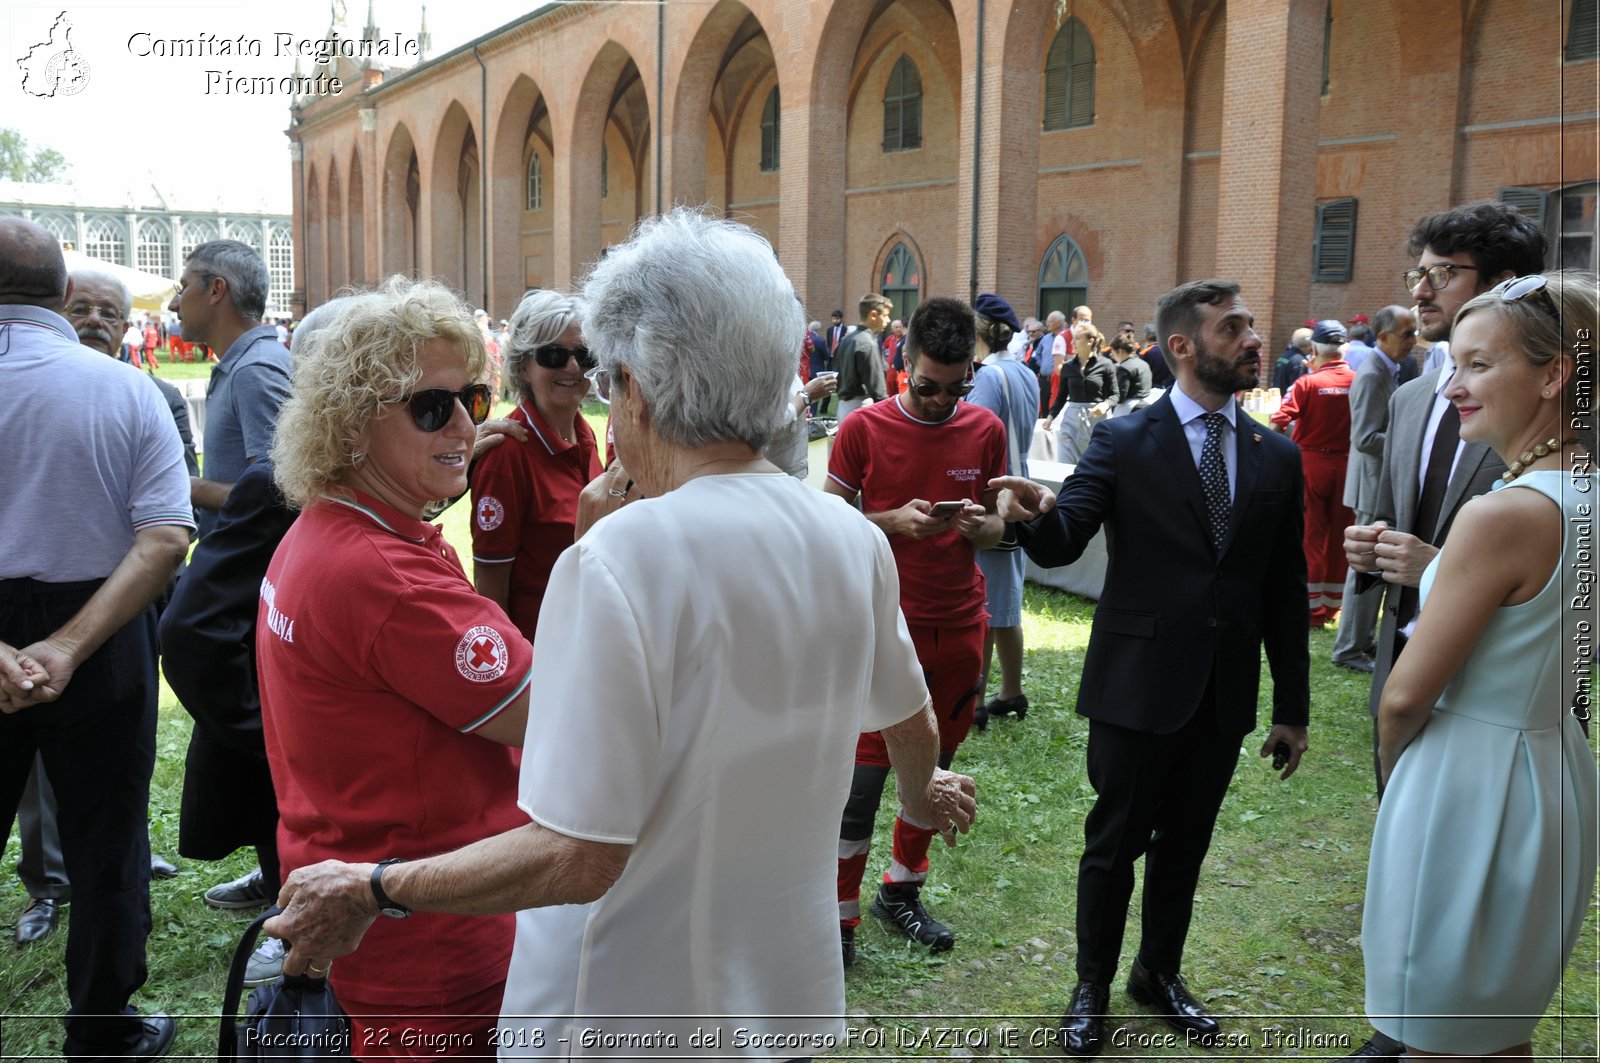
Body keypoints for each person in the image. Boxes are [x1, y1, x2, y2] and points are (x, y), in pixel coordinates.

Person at [260, 209, 976, 1059]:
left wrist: (377, 888)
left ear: (637, 388)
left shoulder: (615, 557)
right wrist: (924, 789)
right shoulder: (852, 537)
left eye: (606, 378)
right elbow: (910, 715)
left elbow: (580, 855)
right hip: (782, 992)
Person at [992, 278, 1309, 1058]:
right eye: (1231, 327)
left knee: (1186, 845)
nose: (1251, 338)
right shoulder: (1126, 439)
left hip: (1222, 692)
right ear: (1181, 346)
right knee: (1115, 842)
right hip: (1136, 686)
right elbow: (1066, 537)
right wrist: (1032, 515)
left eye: (1249, 325)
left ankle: (1157, 973)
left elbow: (1284, 586)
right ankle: (1091, 984)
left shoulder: (1277, 454)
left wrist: (1292, 707)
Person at [256, 280, 532, 1056]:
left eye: (472, 397)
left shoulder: (331, 525)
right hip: (435, 934)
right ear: (351, 423)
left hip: (367, 889)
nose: (467, 424)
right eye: (430, 406)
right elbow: (559, 710)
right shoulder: (388, 576)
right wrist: (596, 547)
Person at [1361, 271, 1598, 1056]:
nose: (1452, 386)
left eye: (1478, 365)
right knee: (1495, 1033)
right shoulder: (1582, 489)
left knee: (1438, 1035)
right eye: (1451, 364)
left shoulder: (1502, 513)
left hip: (1468, 788)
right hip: (1554, 770)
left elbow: (1404, 698)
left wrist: (1401, 782)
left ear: (1555, 373)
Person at [1339, 201, 1547, 1063]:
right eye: (1415, 271)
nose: (1419, 289)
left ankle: (1436, 1024)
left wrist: (1436, 563)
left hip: (1494, 681)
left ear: (1502, 288)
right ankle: (1403, 1015)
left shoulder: (1551, 416)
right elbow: (1404, 509)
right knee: (1407, 855)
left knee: (1472, 879)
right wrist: (1373, 544)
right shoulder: (1417, 384)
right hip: (1407, 644)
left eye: (1442, 272)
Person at [0, 217, 193, 1061]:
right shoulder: (124, 390)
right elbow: (164, 537)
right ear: (59, 294)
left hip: (82, 622)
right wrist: (70, 647)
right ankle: (102, 1029)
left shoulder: (128, 389)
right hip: (103, 623)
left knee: (108, 835)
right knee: (108, 836)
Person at [827, 295, 1004, 964]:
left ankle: (902, 888)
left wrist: (988, 524)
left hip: (959, 625)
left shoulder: (984, 429)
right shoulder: (863, 430)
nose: (940, 402)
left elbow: (996, 524)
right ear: (902, 364)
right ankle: (839, 917)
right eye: (928, 387)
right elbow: (826, 529)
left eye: (957, 388)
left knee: (933, 769)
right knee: (862, 784)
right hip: (880, 629)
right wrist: (892, 520)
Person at [470, 289, 604, 643]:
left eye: (583, 355)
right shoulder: (508, 454)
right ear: (524, 367)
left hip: (589, 638)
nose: (572, 367)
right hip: (541, 651)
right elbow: (490, 586)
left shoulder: (584, 435)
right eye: (554, 355)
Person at [967, 293, 1039, 729]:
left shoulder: (991, 376)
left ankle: (975, 698)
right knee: (1006, 602)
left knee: (986, 604)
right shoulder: (1025, 371)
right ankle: (1010, 690)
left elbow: (973, 435)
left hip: (997, 495)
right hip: (1022, 489)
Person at [1331, 306, 1417, 673]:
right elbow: (1365, 438)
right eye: (1406, 334)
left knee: (1373, 569)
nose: (1414, 341)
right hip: (1370, 486)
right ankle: (1350, 648)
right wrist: (1411, 441)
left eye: (1414, 333)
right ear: (1382, 337)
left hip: (1379, 484)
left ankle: (1358, 643)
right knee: (1365, 570)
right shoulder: (1371, 374)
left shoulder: (1387, 368)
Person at [1270, 319, 1355, 628]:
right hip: (1348, 466)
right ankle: (1334, 607)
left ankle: (1311, 609)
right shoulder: (1359, 381)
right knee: (1341, 536)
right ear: (1344, 348)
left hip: (1311, 465)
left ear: (1315, 349)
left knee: (1311, 535)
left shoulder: (1307, 383)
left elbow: (1278, 422)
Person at [1045, 321, 1115, 464]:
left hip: (1097, 421)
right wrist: (1050, 417)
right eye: (1073, 338)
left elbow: (1115, 394)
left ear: (1090, 341)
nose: (1073, 342)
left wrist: (1105, 405)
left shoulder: (1106, 364)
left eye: (1077, 338)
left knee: (1095, 464)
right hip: (1071, 420)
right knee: (1065, 463)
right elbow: (1061, 397)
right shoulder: (1067, 367)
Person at [834, 293, 891, 422]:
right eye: (886, 315)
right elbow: (878, 391)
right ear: (874, 315)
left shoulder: (846, 340)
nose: (888, 320)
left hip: (843, 407)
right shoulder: (867, 344)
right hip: (861, 409)